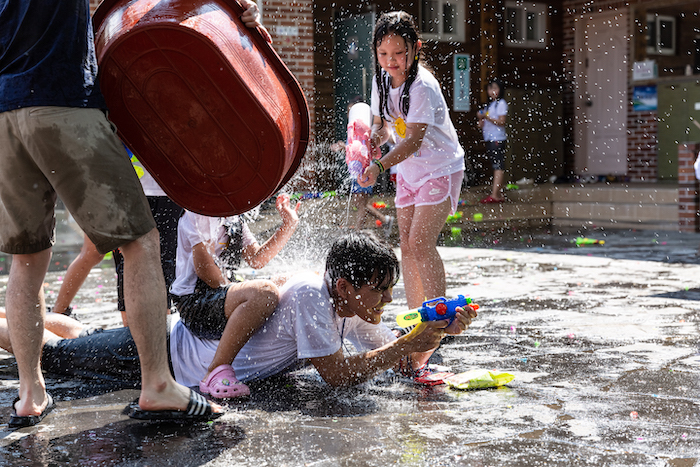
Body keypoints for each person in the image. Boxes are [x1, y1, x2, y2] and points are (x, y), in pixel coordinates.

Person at [0, 0, 265, 426]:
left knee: (27, 258)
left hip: (5, 112)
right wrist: (231, 9)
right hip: (62, 99)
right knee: (140, 242)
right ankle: (157, 384)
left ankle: (30, 395)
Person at [0, 232, 477, 390]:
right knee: (52, 356)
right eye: (382, 291)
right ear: (348, 285)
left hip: (168, 340)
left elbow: (391, 360)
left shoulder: (349, 306)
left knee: (80, 337)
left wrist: (434, 336)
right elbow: (338, 375)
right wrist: (410, 344)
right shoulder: (315, 295)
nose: (388, 302)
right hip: (168, 357)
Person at [358, 12, 466, 310]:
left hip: (440, 169)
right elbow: (383, 126)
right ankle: (416, 316)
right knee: (406, 244)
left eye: (398, 53)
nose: (390, 60)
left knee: (420, 243)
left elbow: (413, 140)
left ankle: (437, 316)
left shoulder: (422, 86)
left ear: (416, 48)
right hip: (409, 171)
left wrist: (379, 165)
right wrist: (373, 141)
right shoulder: (381, 80)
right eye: (383, 53)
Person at [170, 193, 299, 399]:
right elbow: (205, 271)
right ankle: (215, 372)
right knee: (264, 292)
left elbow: (256, 259)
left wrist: (289, 224)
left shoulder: (233, 218)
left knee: (289, 280)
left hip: (221, 294)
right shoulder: (198, 214)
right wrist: (244, 294)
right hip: (195, 304)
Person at [333, 97, 395, 238]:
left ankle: (358, 233)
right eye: (349, 111)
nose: (349, 114)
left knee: (361, 202)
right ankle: (384, 220)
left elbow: (364, 147)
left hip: (366, 168)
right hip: (358, 168)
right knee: (359, 202)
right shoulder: (353, 128)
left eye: (351, 110)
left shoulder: (364, 126)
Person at [477, 78, 509, 204]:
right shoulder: (489, 105)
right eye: (490, 88)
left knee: (498, 166)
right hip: (490, 138)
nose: (492, 91)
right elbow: (485, 121)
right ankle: (498, 193)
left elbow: (502, 122)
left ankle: (495, 195)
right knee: (496, 165)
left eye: (495, 88)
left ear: (500, 90)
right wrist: (482, 121)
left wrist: (487, 117)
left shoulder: (501, 103)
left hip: (497, 138)